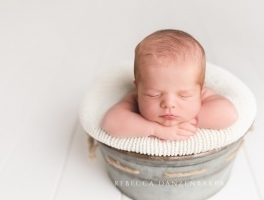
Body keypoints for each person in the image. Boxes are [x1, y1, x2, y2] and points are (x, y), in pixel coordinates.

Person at [102, 29, 238, 141]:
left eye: (184, 95)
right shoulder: (135, 98)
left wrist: (190, 120)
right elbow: (110, 123)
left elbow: (229, 114)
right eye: (154, 94)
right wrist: (155, 129)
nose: (169, 104)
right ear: (137, 88)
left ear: (201, 89)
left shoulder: (201, 94)